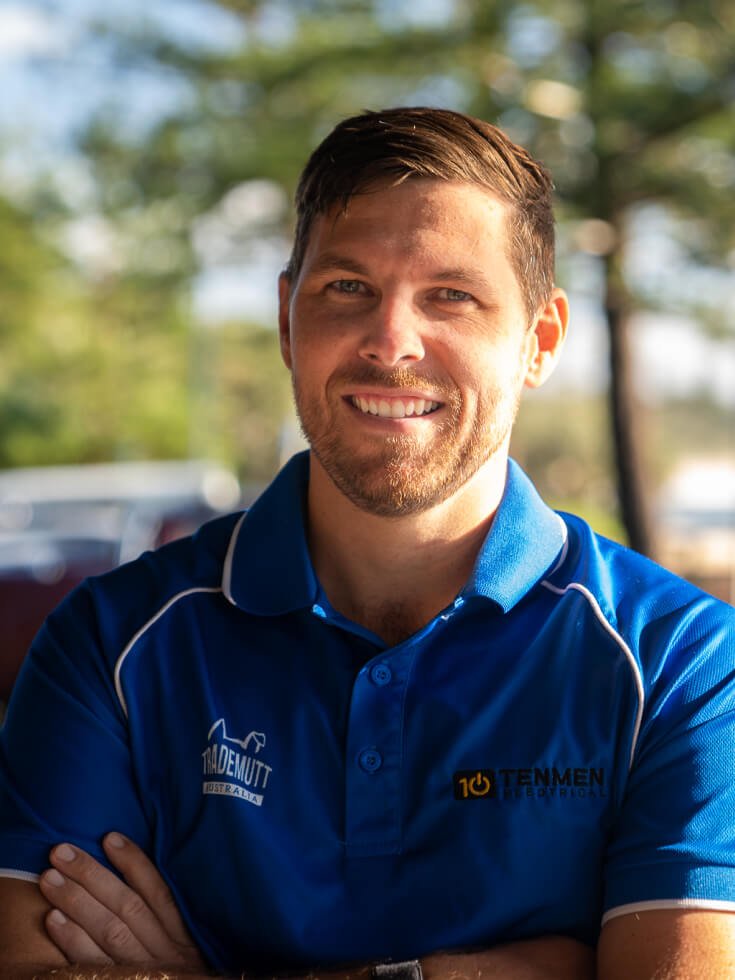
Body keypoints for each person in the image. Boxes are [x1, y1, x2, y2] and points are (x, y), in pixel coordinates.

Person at [0, 106, 734, 980]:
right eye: (345, 288)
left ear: (538, 342)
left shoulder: (681, 663)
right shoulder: (108, 644)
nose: (390, 342)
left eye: (450, 297)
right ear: (286, 319)